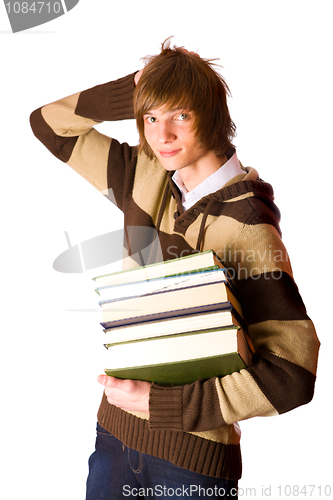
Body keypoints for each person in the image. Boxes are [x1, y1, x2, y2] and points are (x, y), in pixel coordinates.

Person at [30, 39, 320, 499]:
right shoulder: (144, 176)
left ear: (213, 116)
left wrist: (162, 405)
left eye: (180, 115)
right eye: (150, 119)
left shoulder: (249, 225)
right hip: (114, 442)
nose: (161, 135)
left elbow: (291, 375)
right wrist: (137, 91)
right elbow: (48, 124)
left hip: (190, 467)